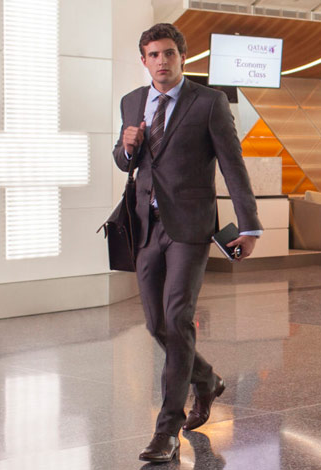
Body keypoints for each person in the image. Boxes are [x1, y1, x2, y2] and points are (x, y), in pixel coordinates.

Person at [112, 23, 263, 463]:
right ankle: (207, 378)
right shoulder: (132, 102)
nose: (161, 61)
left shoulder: (209, 103)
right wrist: (125, 148)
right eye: (153, 55)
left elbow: (234, 166)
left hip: (191, 228)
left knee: (177, 319)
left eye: (169, 54)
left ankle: (167, 429)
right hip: (146, 225)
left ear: (183, 57)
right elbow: (126, 162)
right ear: (144, 61)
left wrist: (248, 226)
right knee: (156, 324)